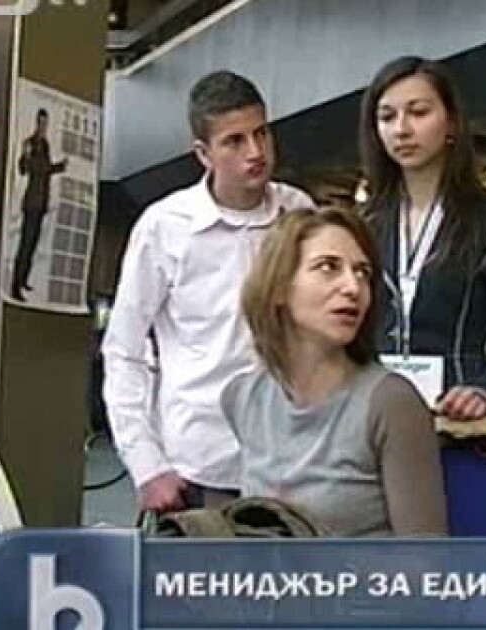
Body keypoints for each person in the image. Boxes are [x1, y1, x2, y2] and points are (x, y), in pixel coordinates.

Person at [101, 71, 316, 515]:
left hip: (293, 463)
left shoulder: (299, 213)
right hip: (197, 468)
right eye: (234, 141)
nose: (255, 152)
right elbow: (124, 349)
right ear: (203, 153)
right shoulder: (164, 227)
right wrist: (146, 465)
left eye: (261, 133)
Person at [221, 207, 448, 537]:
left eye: (362, 273)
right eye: (328, 267)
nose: (353, 287)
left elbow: (425, 556)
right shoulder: (242, 397)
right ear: (278, 286)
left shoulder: (390, 403)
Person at [358, 56, 486, 420]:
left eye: (418, 112)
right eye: (387, 117)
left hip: (458, 419)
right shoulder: (365, 223)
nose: (401, 129)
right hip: (374, 415)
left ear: (452, 121)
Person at [10, 108, 67, 302]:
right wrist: (57, 167)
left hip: (41, 202)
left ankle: (23, 280)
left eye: (45, 123)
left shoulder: (45, 144)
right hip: (32, 202)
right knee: (25, 245)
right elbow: (26, 169)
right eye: (41, 123)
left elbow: (43, 170)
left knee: (32, 245)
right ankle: (15, 285)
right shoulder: (30, 143)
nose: (43, 127)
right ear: (37, 122)